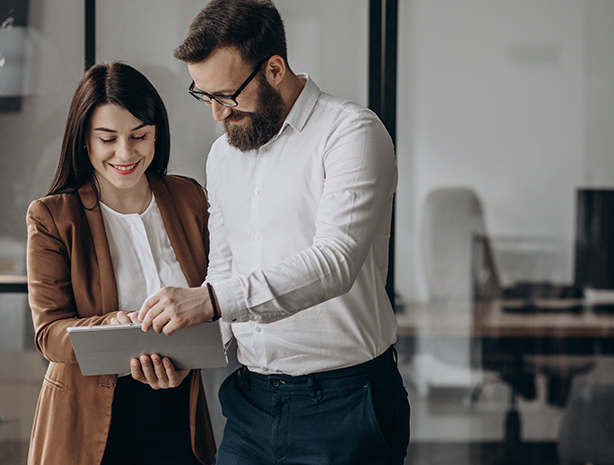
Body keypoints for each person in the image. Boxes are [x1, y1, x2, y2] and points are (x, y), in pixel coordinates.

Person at [120, 1, 411, 463]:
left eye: (227, 96)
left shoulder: (351, 133)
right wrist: (187, 355)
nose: (216, 114)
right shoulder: (223, 157)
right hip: (250, 402)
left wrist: (211, 300)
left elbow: (334, 263)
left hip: (345, 402)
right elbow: (226, 267)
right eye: (204, 95)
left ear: (275, 68)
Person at [25, 62, 216, 465]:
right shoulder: (53, 217)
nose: (126, 153)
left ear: (156, 133)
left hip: (179, 414)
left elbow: (217, 296)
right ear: (84, 142)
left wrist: (185, 356)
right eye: (107, 139)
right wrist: (107, 325)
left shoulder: (190, 199)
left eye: (139, 136)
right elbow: (49, 333)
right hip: (86, 422)